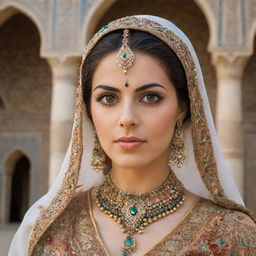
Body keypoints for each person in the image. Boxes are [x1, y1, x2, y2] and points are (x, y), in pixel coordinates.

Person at [8, 15, 256, 256]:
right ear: (87, 112)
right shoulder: (45, 228)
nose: (127, 118)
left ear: (182, 108)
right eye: (108, 99)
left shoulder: (233, 235)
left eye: (150, 97)